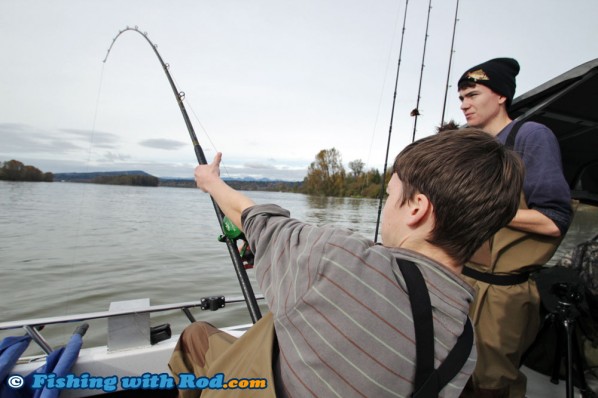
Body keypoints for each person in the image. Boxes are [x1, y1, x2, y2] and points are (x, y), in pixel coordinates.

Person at [168, 129, 524, 398]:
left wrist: (211, 183)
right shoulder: (466, 342)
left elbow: (258, 221)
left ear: (417, 207)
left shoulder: (339, 259)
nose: (387, 207)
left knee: (196, 336)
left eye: (390, 195)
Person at [457, 57, 573, 397]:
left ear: (501, 96)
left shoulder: (531, 136)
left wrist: (485, 209)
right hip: (461, 280)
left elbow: (554, 220)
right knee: (453, 374)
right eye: (461, 98)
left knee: (492, 385)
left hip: (502, 295)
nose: (464, 104)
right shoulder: (472, 144)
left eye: (473, 94)